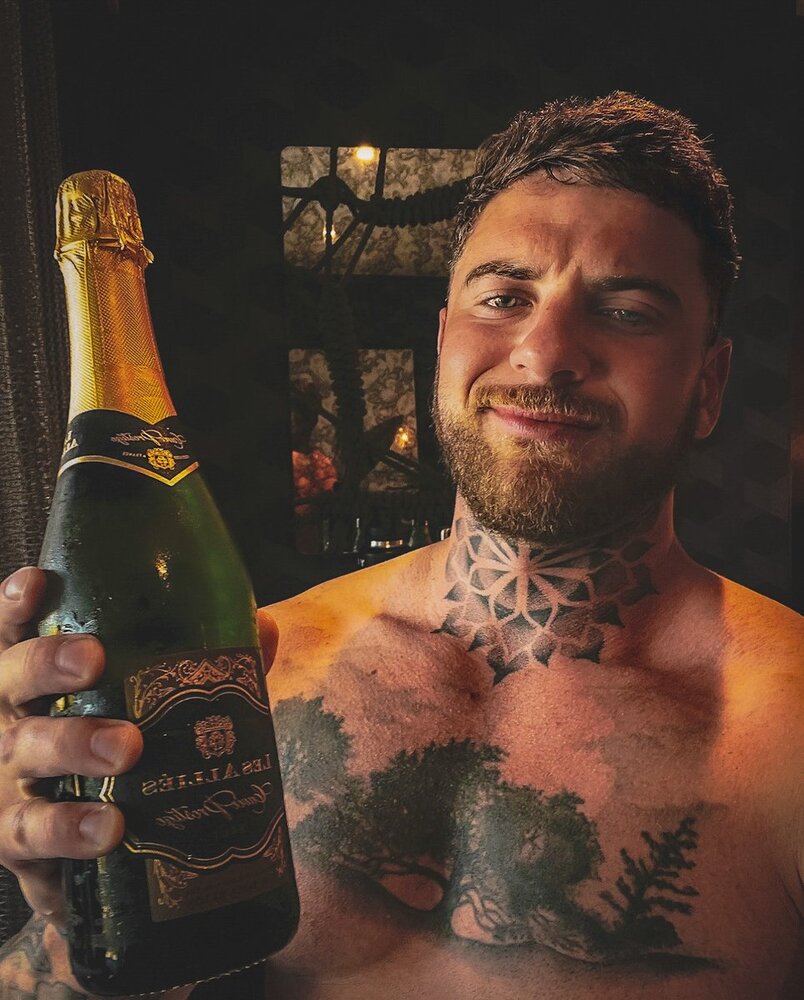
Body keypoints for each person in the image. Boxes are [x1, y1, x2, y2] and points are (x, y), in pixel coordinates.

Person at [0, 90, 800, 999]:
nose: (544, 352)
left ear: (709, 385)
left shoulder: (789, 732)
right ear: (444, 341)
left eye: (626, 311)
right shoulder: (251, 675)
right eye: (504, 297)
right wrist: (76, 921)